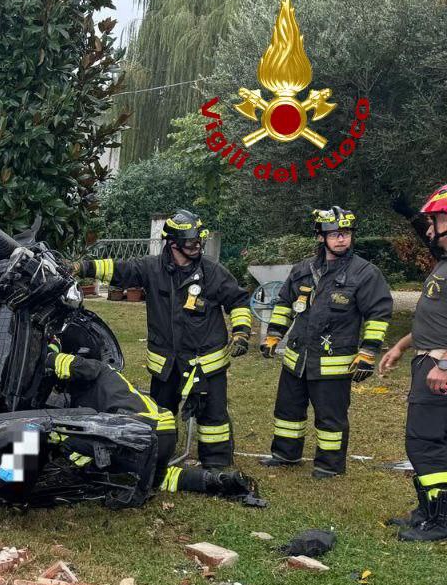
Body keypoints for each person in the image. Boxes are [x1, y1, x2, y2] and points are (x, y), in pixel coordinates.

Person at [76, 210, 253, 467]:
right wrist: (82, 267)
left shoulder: (213, 272)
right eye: (191, 243)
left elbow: (238, 301)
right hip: (166, 364)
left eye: (199, 242)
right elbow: (119, 269)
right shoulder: (151, 268)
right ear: (173, 244)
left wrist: (241, 332)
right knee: (160, 415)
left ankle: (217, 464)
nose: (197, 247)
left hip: (205, 363)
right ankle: (158, 459)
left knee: (213, 417)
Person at [260, 207, 392, 478]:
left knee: (330, 417)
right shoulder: (302, 270)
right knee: (288, 410)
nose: (341, 239)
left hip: (333, 362)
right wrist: (274, 334)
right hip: (297, 358)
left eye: (346, 233)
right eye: (334, 234)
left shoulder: (365, 273)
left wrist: (368, 352)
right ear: (320, 237)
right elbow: (285, 303)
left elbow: (378, 314)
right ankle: (285, 454)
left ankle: (328, 465)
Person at [44, 348, 258, 499]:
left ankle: (97, 474)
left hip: (135, 432)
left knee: (63, 437)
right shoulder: (110, 383)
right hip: (163, 431)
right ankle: (216, 480)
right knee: (159, 477)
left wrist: (49, 356)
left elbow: (71, 363)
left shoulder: (96, 368)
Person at [378, 184, 447, 541]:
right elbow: (434, 318)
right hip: (427, 361)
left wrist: (444, 365)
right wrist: (402, 346)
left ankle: (441, 519)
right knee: (429, 440)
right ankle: (428, 511)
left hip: (439, 368)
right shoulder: (444, 265)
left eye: (436, 222)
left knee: (425, 442)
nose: (430, 231)